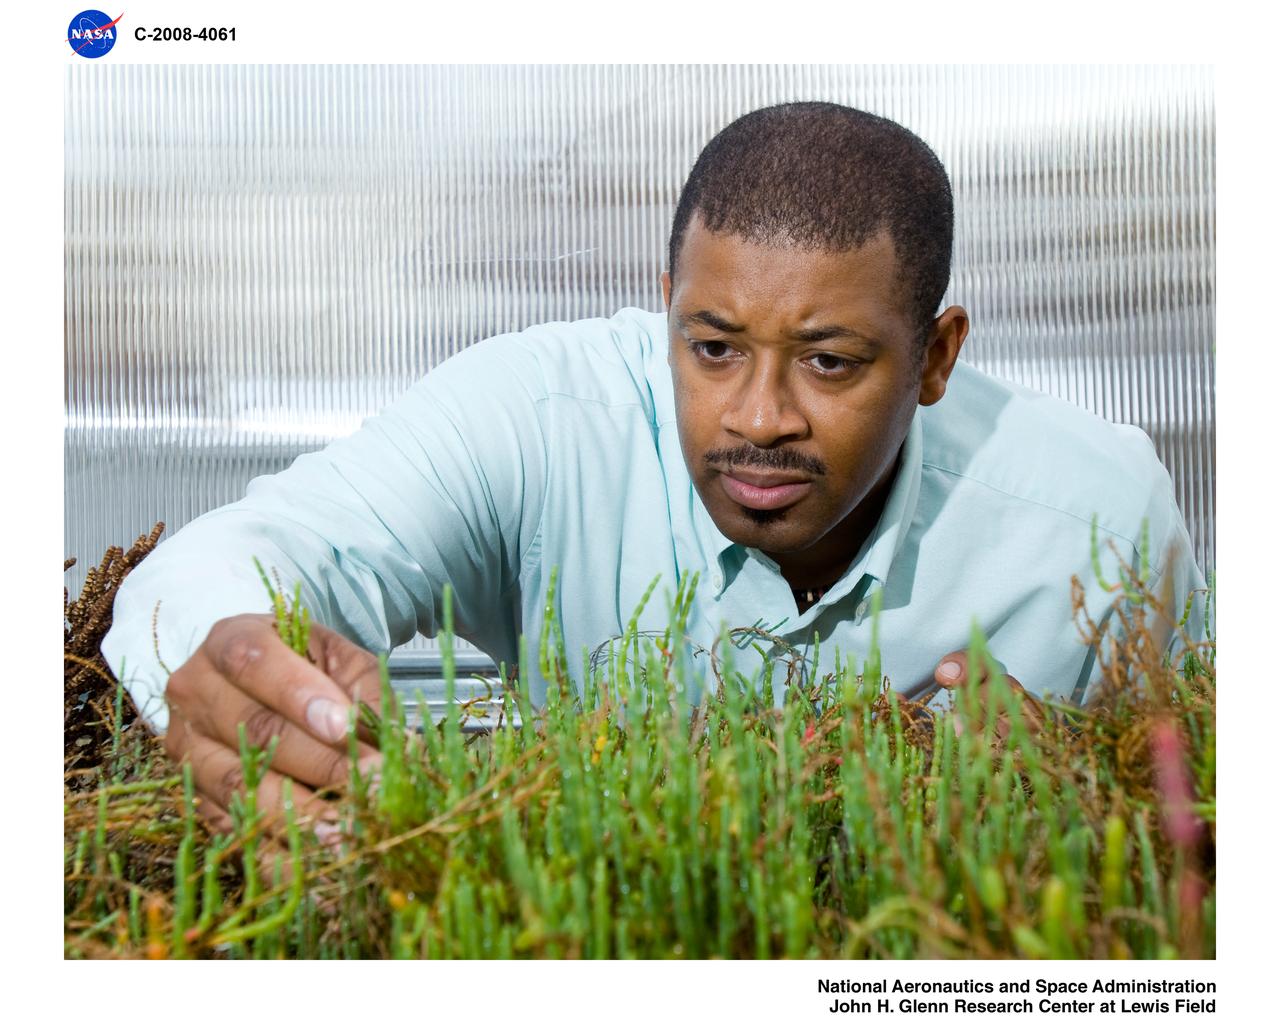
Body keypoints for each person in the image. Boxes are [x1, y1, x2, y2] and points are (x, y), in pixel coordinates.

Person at [101, 101, 1208, 836]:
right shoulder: (539, 417)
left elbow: (1205, 795)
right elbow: (248, 555)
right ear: (667, 303)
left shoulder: (1095, 518)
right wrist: (236, 661)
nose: (757, 418)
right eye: (711, 346)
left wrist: (1085, 785)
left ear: (935, 356)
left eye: (829, 362)